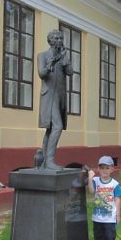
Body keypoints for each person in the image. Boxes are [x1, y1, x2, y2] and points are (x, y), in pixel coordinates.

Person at [37, 29, 73, 170]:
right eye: (56, 38)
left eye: (60, 38)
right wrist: (50, 63)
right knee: (56, 127)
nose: (59, 40)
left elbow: (70, 72)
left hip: (59, 97)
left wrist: (65, 60)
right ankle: (49, 161)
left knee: (50, 128)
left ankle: (43, 160)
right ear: (50, 40)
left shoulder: (63, 56)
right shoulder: (43, 55)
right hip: (49, 96)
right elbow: (42, 73)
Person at [87, 156, 121, 240]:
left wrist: (117, 215)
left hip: (110, 217)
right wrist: (89, 178)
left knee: (110, 236)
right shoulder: (96, 181)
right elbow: (91, 191)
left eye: (107, 168)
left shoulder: (114, 184)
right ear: (98, 169)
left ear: (112, 169)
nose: (104, 170)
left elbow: (117, 199)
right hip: (98, 216)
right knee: (100, 236)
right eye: (102, 168)